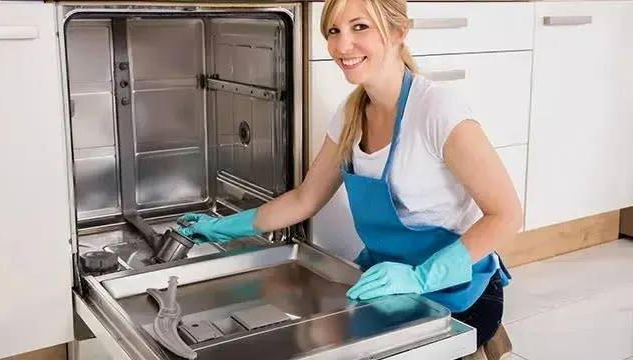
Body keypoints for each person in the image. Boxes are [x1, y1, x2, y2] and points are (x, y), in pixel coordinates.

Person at [177, 0, 521, 358]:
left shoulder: (437, 111)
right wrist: (224, 227)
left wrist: (420, 278)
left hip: (457, 286)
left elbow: (507, 215)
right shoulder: (350, 116)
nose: (342, 47)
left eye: (360, 27)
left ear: (398, 32)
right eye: (333, 31)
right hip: (384, 279)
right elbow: (305, 199)